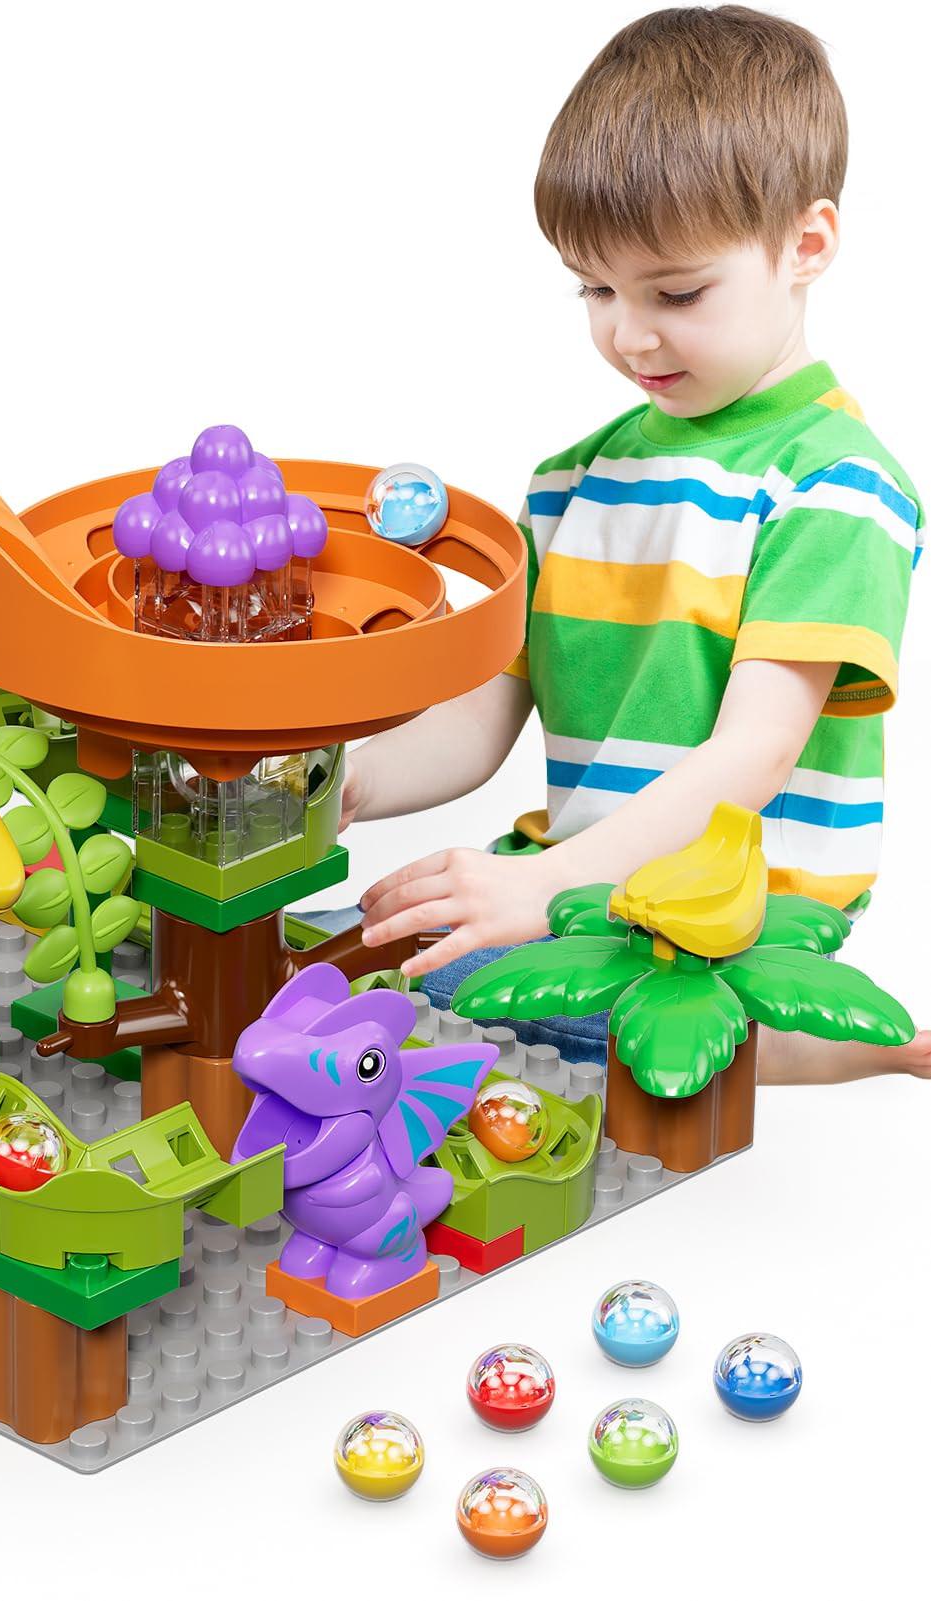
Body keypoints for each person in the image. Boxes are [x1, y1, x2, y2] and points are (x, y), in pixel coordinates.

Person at [331, 6, 928, 1082]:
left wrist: (539, 887)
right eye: (594, 287)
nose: (627, 332)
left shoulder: (834, 486)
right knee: (320, 956)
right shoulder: (570, 481)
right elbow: (478, 719)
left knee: (384, 1006)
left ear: (804, 245)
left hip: (714, 923)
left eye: (676, 292)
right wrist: (349, 784)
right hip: (577, 894)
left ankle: (832, 1043)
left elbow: (751, 755)